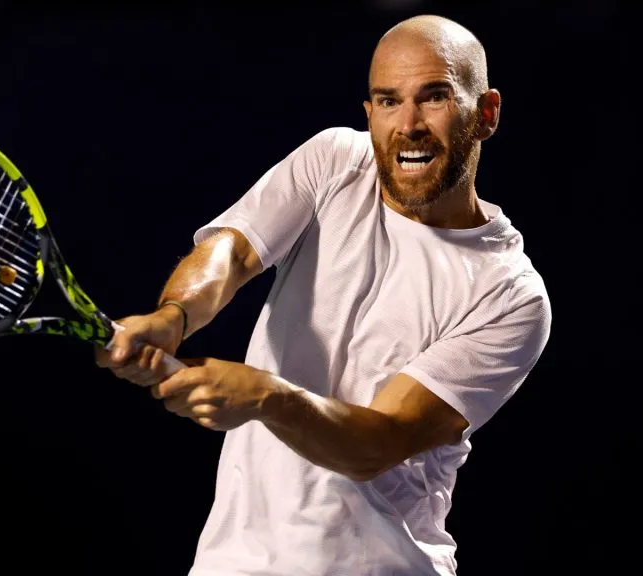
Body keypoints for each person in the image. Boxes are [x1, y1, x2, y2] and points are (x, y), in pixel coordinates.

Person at [95, 14, 551, 576]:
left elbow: (378, 442)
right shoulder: (336, 159)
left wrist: (266, 395)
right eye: (387, 101)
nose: (407, 125)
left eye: (433, 98)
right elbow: (231, 253)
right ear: (369, 113)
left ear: (485, 114)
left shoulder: (511, 295)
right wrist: (174, 315)